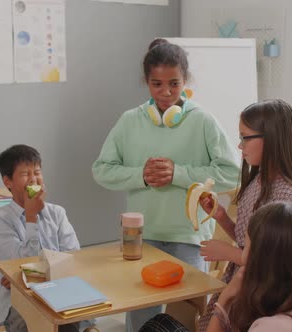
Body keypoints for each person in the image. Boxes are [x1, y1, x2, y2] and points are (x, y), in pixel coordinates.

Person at [92, 38, 240, 332]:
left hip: (189, 236)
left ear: (186, 80)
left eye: (174, 83)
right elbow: (102, 170)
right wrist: (141, 177)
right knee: (141, 319)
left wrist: (179, 174)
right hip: (141, 237)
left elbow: (233, 174)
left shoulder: (203, 122)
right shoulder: (129, 121)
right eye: (156, 84)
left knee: (186, 316)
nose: (166, 92)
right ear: (146, 82)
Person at [141, 201, 292, 332]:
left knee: (157, 325)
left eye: (246, 246)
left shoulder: (270, 327)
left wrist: (224, 301)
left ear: (263, 258)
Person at [196, 99, 292, 331]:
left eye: (245, 137)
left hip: (261, 297)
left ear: (272, 139)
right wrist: (222, 217)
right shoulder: (258, 181)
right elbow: (251, 240)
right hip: (241, 286)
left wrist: (231, 254)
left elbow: (276, 261)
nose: (240, 146)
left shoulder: (286, 198)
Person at [0, 144, 82, 332]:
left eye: (37, 172)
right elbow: (23, 260)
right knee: (35, 322)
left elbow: (73, 257)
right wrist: (31, 218)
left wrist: (24, 275)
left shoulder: (57, 213)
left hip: (60, 290)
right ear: (8, 182)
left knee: (70, 318)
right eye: (25, 174)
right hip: (19, 299)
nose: (33, 179)